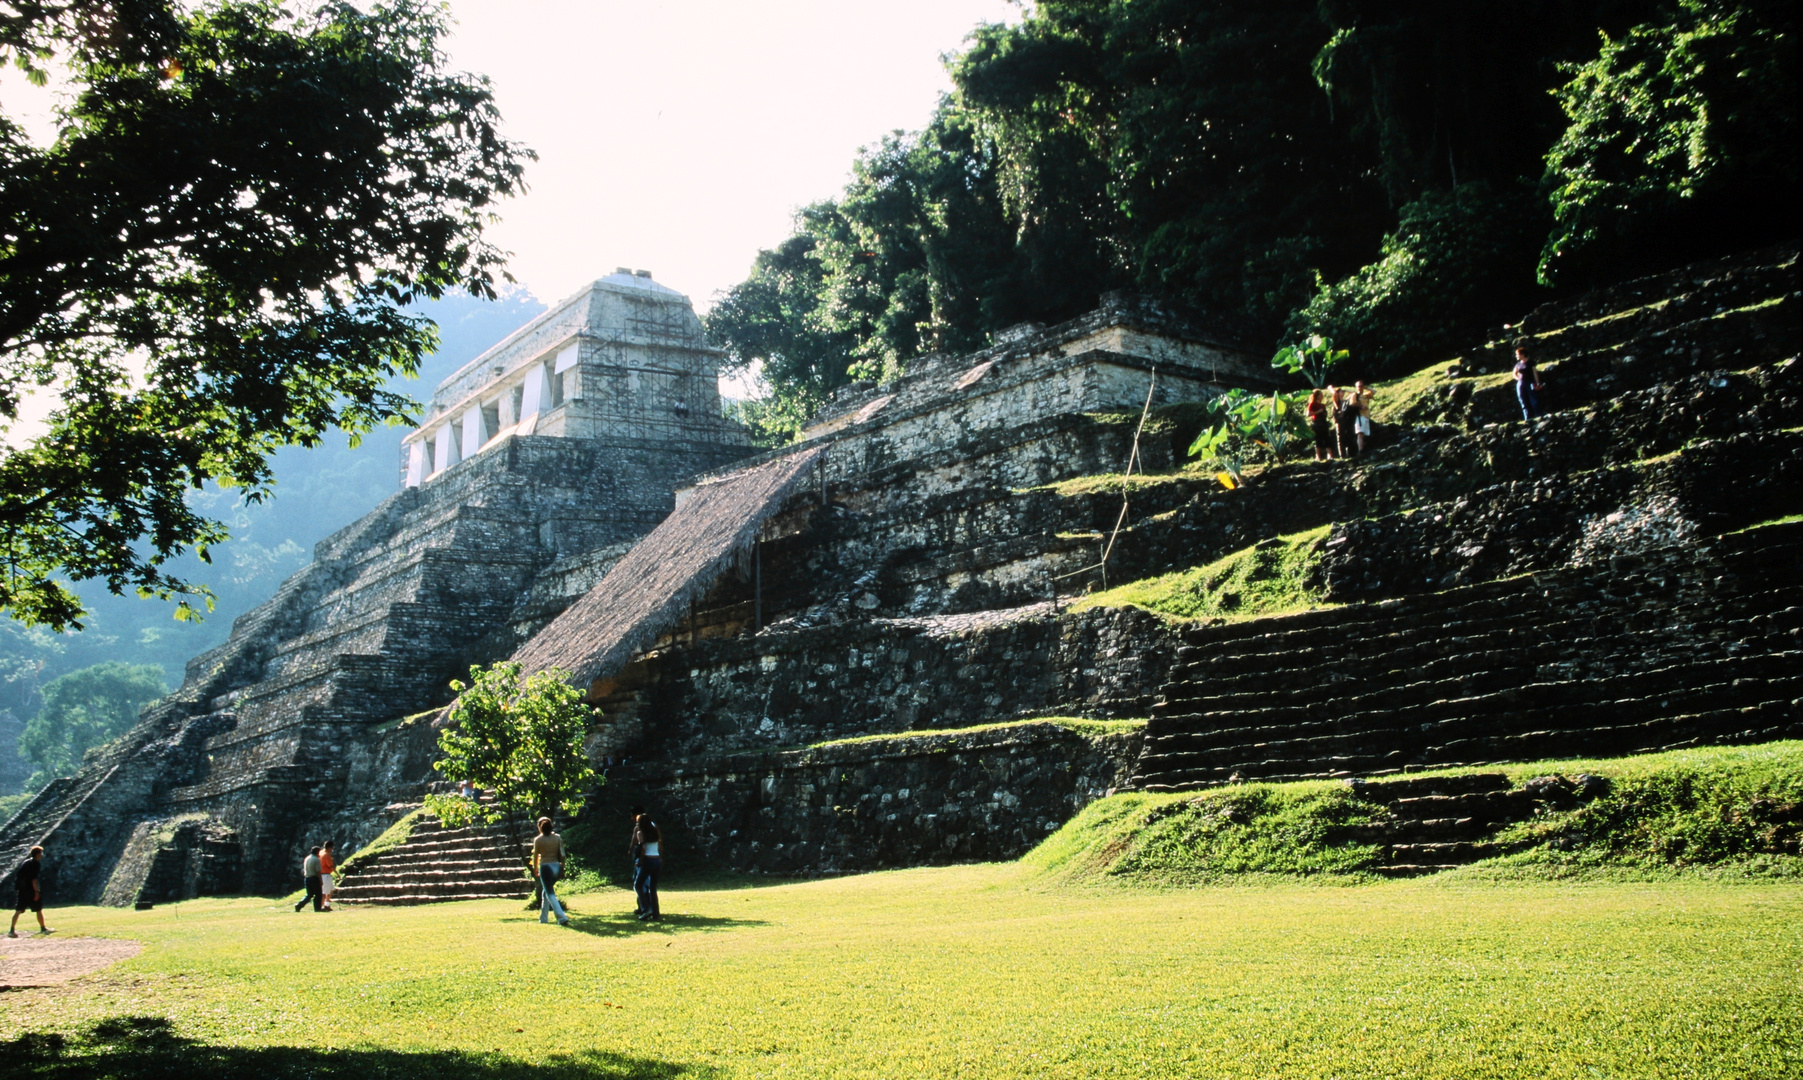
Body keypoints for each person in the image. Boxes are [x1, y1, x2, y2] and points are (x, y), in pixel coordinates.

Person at [532, 816, 570, 926]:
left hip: (545, 867)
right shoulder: (557, 837)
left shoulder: (538, 840)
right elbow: (562, 855)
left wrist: (535, 869)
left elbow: (535, 857)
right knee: (546, 892)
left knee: (550, 893)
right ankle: (543, 918)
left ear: (540, 827)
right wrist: (562, 868)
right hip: (556, 867)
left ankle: (561, 917)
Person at [9, 845, 52, 937]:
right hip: (30, 890)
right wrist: (36, 892)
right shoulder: (35, 863)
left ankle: (11, 930)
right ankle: (43, 928)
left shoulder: (26, 862)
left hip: (22, 890)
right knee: (38, 909)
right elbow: (34, 879)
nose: (42, 855)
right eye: (41, 853)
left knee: (18, 910)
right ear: (37, 854)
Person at [629, 813, 662, 922]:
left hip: (647, 860)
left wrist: (640, 861)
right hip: (656, 859)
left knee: (638, 885)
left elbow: (643, 848)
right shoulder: (655, 832)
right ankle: (656, 914)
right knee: (653, 888)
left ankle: (645, 908)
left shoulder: (640, 833)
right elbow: (659, 846)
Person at [1513, 345, 1545, 421]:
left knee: (1534, 400)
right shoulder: (1518, 364)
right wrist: (1519, 379)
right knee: (1523, 401)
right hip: (1521, 384)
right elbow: (1514, 373)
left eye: (1518, 354)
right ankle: (1527, 419)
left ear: (1523, 354)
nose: (1516, 356)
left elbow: (1535, 373)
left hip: (1530, 383)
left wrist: (1537, 382)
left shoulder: (1530, 362)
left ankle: (1539, 416)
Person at [1305, 388, 1335, 462]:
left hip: (1324, 422)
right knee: (1318, 440)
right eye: (1320, 394)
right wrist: (1318, 412)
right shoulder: (1312, 404)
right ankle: (1318, 456)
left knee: (1327, 438)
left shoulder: (1322, 405)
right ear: (1316, 395)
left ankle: (1329, 455)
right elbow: (1308, 414)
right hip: (1317, 423)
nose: (1322, 396)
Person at [294, 846, 326, 912]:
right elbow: (318, 872)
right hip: (314, 878)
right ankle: (317, 908)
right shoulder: (316, 859)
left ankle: (299, 905)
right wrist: (321, 880)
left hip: (307, 878)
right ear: (318, 852)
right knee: (318, 894)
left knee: (309, 894)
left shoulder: (307, 858)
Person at [1334, 386, 1360, 459]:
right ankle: (1342, 455)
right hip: (1339, 421)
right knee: (1341, 437)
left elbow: (1353, 394)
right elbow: (1333, 392)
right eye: (1341, 391)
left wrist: (1347, 391)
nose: (1342, 393)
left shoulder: (1345, 401)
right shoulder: (1336, 401)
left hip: (1346, 421)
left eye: (1343, 392)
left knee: (1349, 436)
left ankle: (1350, 453)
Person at [1353, 381, 1375, 454]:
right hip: (1360, 416)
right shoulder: (1355, 395)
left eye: (1361, 386)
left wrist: (1366, 387)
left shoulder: (1365, 395)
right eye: (1358, 386)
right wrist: (1361, 407)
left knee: (1365, 434)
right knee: (1360, 433)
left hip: (1366, 416)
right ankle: (1360, 450)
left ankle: (1364, 449)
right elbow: (1353, 404)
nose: (1360, 388)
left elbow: (1374, 391)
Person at [318, 840, 337, 911]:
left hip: (322, 874)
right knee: (325, 892)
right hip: (326, 875)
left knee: (331, 889)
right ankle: (321, 906)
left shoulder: (320, 852)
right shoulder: (327, 855)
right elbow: (331, 866)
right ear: (330, 847)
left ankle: (326, 905)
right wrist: (337, 874)